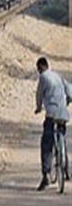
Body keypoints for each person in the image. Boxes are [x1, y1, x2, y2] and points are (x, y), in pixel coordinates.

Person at [34, 57, 72, 191]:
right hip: (63, 113)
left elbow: (39, 94)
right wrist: (67, 101)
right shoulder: (58, 76)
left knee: (46, 144)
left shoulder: (43, 77)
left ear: (40, 68)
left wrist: (38, 107)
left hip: (51, 114)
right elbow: (70, 90)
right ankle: (65, 169)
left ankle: (46, 175)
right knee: (61, 137)